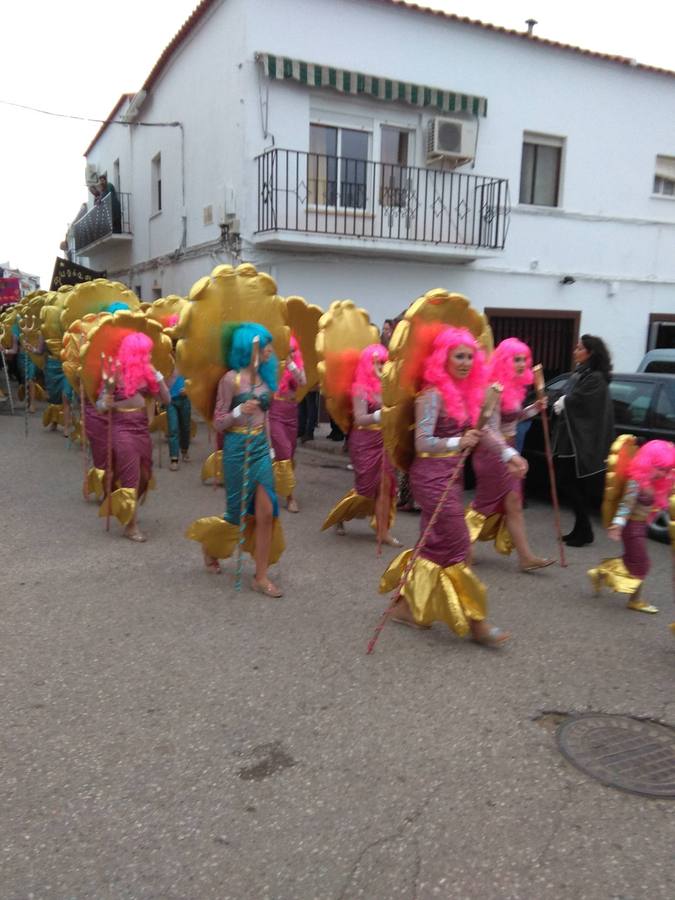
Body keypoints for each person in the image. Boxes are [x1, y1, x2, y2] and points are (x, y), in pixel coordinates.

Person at [379, 326, 512, 646]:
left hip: (453, 476)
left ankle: (404, 607)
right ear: (444, 358)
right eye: (459, 356)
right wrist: (458, 439)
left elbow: (484, 434)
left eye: (470, 356)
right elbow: (422, 441)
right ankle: (477, 623)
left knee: (435, 546)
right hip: (430, 476)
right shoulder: (431, 394)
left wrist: (510, 454)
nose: (466, 362)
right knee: (459, 543)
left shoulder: (468, 395)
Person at [186, 323, 285, 597]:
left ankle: (261, 576)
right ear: (249, 348)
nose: (270, 350)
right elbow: (218, 423)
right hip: (236, 448)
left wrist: (272, 449)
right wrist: (239, 410)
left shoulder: (265, 381)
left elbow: (267, 417)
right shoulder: (230, 380)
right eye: (265, 345)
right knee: (235, 515)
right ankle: (210, 546)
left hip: (261, 449)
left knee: (267, 512)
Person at [465, 338, 554, 572]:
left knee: (513, 503)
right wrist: (505, 452)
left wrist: (535, 408)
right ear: (504, 361)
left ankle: (525, 557)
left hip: (509, 450)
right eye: (516, 359)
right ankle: (463, 545)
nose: (522, 363)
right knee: (483, 505)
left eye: (525, 359)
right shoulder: (492, 388)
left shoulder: (513, 387)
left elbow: (513, 419)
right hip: (492, 453)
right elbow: (486, 428)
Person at [321, 344, 399, 546]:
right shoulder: (360, 388)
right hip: (364, 441)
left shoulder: (388, 386)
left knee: (385, 485)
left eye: (384, 362)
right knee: (365, 489)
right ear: (367, 364)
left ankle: (383, 531)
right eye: (377, 362)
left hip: (384, 440)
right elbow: (360, 418)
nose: (381, 366)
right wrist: (380, 414)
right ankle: (340, 516)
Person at [97, 332, 170, 541]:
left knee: (145, 477)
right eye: (145, 352)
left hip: (142, 430)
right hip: (122, 430)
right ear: (135, 353)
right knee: (131, 478)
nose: (149, 356)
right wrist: (107, 403)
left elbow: (167, 400)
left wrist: (159, 377)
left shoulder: (146, 374)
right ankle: (131, 526)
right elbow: (101, 406)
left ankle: (125, 508)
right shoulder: (114, 374)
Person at [588, 439, 675, 614]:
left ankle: (599, 573)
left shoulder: (657, 484)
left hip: (642, 526)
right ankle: (635, 600)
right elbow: (626, 505)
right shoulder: (636, 482)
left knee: (631, 560)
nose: (662, 473)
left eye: (666, 470)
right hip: (631, 527)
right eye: (659, 468)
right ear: (647, 463)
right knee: (641, 562)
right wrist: (617, 525)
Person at [552, 335, 614, 546]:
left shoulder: (595, 377)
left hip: (579, 443)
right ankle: (580, 528)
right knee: (568, 483)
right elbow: (566, 394)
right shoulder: (580, 373)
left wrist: (566, 402)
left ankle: (585, 529)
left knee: (570, 483)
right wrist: (554, 400)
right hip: (568, 438)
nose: (575, 351)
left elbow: (585, 403)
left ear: (590, 352)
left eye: (579, 348)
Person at [269, 335, 306, 512]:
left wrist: (291, 363)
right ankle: (290, 496)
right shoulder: (272, 363)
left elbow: (302, 382)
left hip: (292, 411)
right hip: (275, 410)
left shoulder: (296, 364)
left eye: (292, 350)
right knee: (283, 450)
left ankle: (271, 485)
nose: (290, 353)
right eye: (286, 350)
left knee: (289, 454)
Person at [166, 364, 192, 471]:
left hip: (185, 399)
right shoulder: (166, 362)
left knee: (185, 427)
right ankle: (174, 458)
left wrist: (188, 388)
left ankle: (184, 449)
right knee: (173, 428)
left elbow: (194, 377)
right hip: (170, 400)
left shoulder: (187, 360)